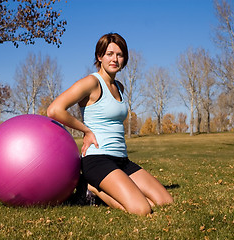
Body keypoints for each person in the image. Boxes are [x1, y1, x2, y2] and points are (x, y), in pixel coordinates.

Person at [47, 33, 173, 215]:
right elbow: (55, 109)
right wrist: (86, 131)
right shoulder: (91, 82)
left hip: (122, 160)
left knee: (165, 202)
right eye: (109, 54)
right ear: (99, 57)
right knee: (143, 209)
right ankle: (92, 186)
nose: (115, 59)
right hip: (97, 159)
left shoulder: (120, 87)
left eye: (119, 55)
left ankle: (100, 186)